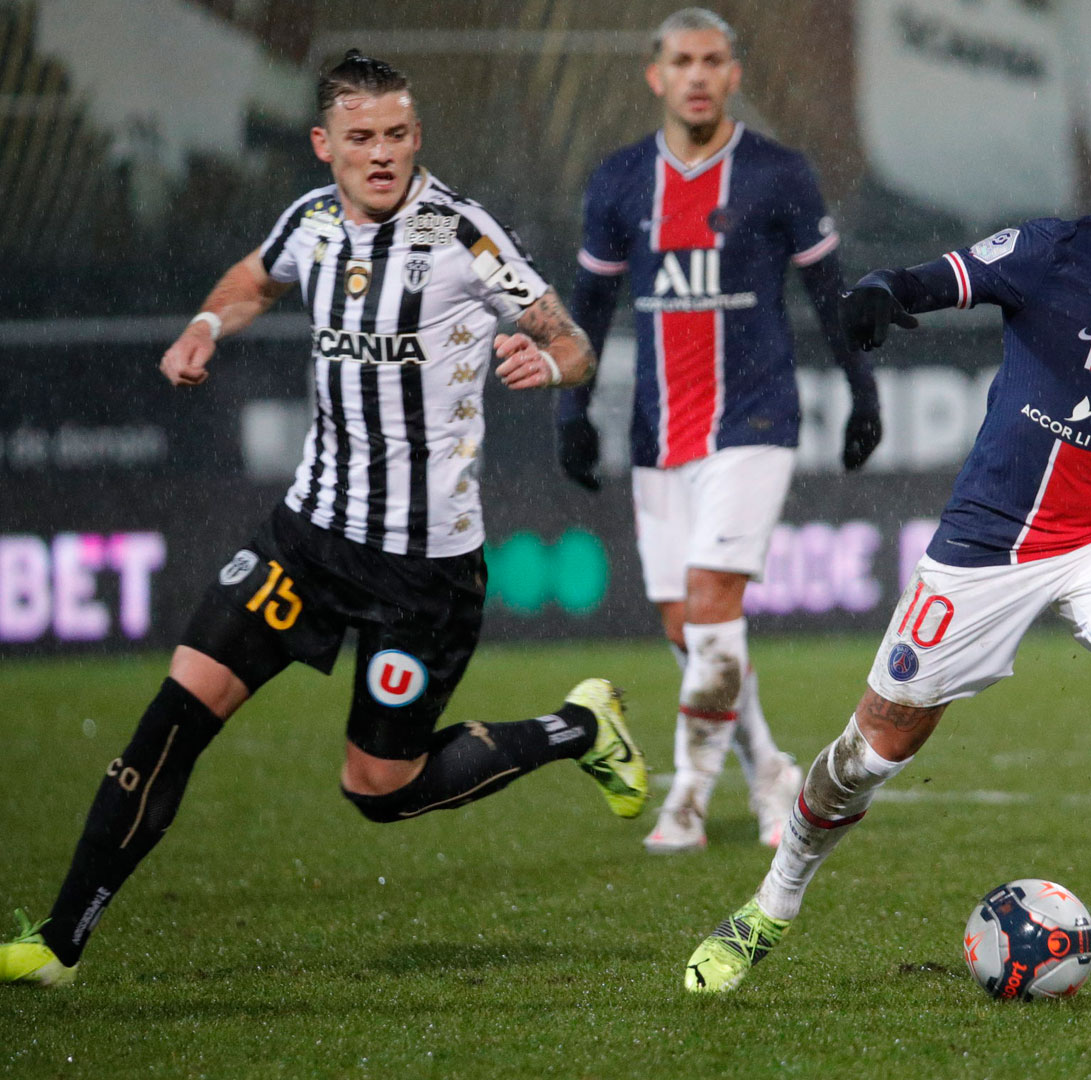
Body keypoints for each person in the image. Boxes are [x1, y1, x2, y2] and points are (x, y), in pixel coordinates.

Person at [1, 51, 647, 988]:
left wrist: (549, 366)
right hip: (303, 539)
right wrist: (207, 326)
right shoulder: (309, 223)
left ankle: (581, 730)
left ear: (415, 137)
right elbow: (255, 278)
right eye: (360, 138)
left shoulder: (462, 235)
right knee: (170, 720)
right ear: (323, 145)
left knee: (377, 790)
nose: (379, 155)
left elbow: (573, 340)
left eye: (394, 135)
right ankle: (60, 942)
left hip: (421, 577)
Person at [679, 110, 1091, 994]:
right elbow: (936, 277)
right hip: (987, 544)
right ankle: (767, 908)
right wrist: (877, 292)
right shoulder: (1054, 254)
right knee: (872, 752)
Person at [557, 7, 882, 854]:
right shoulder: (620, 180)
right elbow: (586, 304)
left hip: (755, 421)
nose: (697, 75)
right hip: (658, 432)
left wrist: (862, 389)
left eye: (712, 61)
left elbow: (828, 290)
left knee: (711, 608)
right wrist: (571, 408)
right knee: (689, 630)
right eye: (681, 61)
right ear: (654, 75)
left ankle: (689, 802)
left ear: (733, 75)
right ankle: (771, 766)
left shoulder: (777, 174)